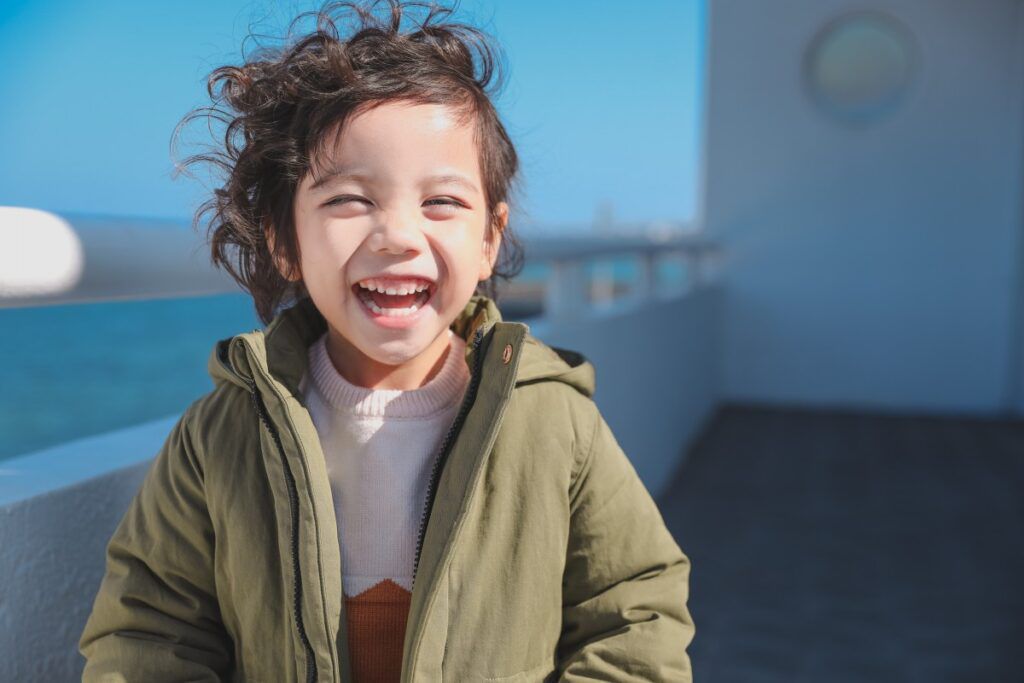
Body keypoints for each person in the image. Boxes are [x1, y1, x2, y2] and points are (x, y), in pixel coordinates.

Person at [77, 1, 695, 680]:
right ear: (284, 238)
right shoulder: (223, 434)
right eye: (348, 199)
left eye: (442, 202)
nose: (398, 235)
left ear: (490, 237)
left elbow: (636, 607)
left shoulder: (553, 421)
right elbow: (149, 628)